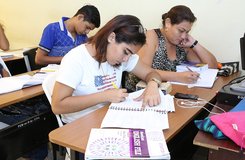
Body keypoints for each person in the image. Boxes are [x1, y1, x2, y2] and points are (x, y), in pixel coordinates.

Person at [51, 15, 162, 125]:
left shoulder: (124, 57)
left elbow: (151, 73)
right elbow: (57, 106)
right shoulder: (76, 59)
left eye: (131, 54)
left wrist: (153, 84)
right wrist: (104, 96)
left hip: (110, 117)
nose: (126, 59)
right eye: (126, 52)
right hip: (79, 126)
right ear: (111, 37)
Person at [125, 5, 218, 92]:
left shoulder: (182, 43)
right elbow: (144, 71)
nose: (183, 36)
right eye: (181, 30)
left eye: (187, 32)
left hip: (168, 93)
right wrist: (178, 76)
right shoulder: (152, 36)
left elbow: (212, 66)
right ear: (168, 23)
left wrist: (194, 44)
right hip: (138, 93)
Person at [35, 5, 101, 66]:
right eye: (87, 27)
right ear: (80, 17)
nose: (87, 32)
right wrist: (69, 58)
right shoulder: (52, 29)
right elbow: (39, 59)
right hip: (54, 74)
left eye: (90, 30)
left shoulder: (83, 36)